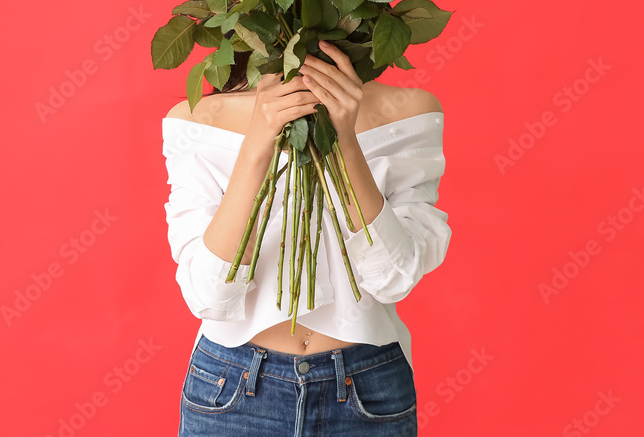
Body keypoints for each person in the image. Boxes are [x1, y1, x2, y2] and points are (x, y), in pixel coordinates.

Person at [163, 39, 451, 435]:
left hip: (367, 390)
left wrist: (341, 141)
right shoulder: (199, 120)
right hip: (232, 390)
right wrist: (257, 145)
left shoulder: (409, 113)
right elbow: (209, 296)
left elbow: (394, 277)